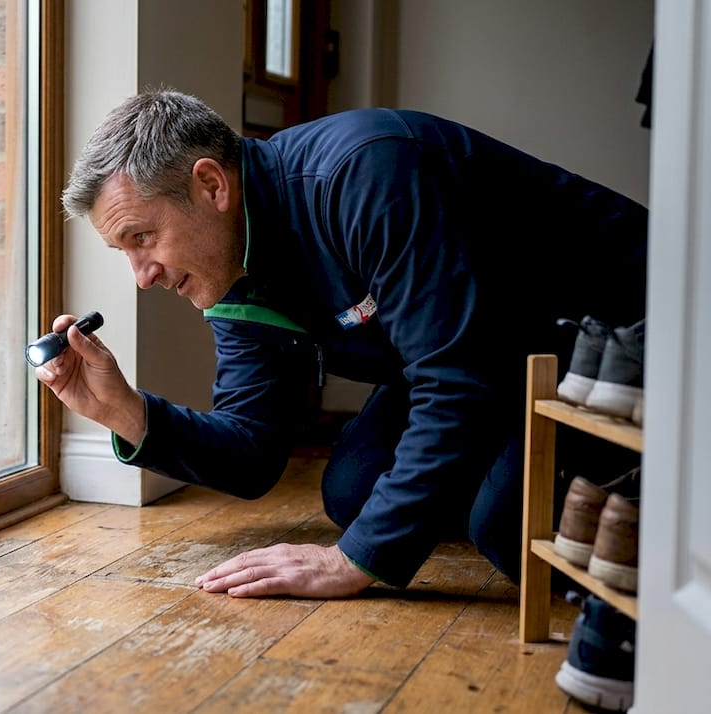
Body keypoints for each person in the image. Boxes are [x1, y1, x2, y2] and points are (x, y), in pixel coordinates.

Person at [36, 89, 648, 599]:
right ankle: (499, 468)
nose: (143, 276)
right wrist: (123, 411)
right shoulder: (231, 270)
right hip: (494, 352)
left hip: (619, 338)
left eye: (143, 237)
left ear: (210, 185)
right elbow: (253, 450)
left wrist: (353, 562)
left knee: (508, 527)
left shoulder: (367, 172)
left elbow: (457, 377)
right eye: (125, 252)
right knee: (355, 487)